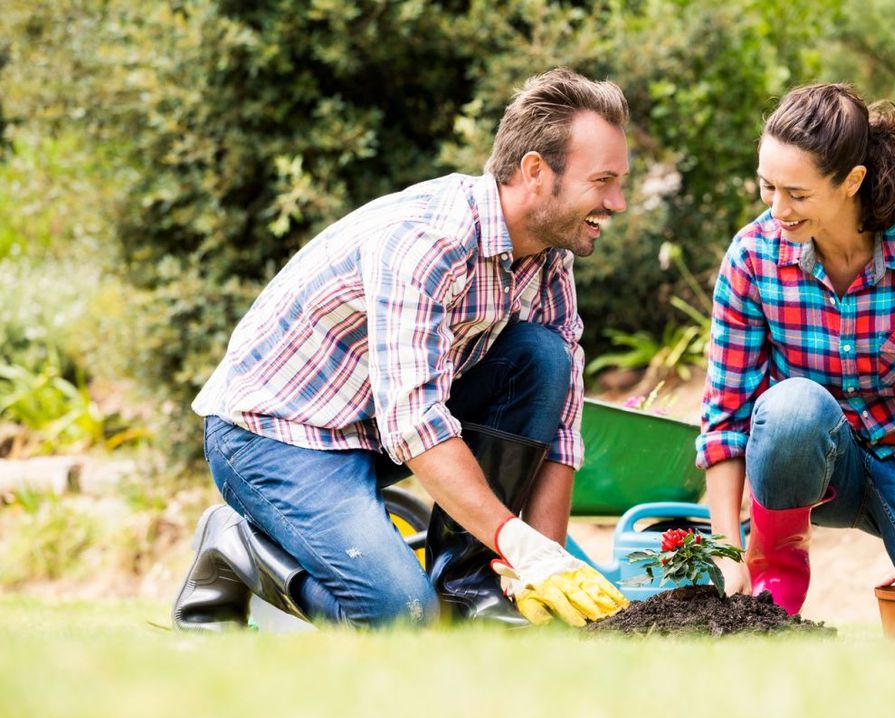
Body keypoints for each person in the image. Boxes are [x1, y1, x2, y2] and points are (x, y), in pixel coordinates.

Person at [171, 68, 630, 631]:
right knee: (403, 618)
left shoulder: (546, 256)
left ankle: (472, 588)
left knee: (542, 355)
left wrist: (544, 568)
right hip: (274, 437)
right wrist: (518, 540)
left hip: (373, 430)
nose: (619, 201)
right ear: (535, 172)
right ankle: (234, 548)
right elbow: (414, 419)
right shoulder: (426, 240)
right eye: (603, 180)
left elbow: (558, 429)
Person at [697, 83, 895, 626]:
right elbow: (726, 414)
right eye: (767, 187)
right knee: (793, 406)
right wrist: (729, 552)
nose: (777, 209)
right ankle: (774, 574)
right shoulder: (752, 256)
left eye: (796, 193)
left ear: (852, 181)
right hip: (814, 465)